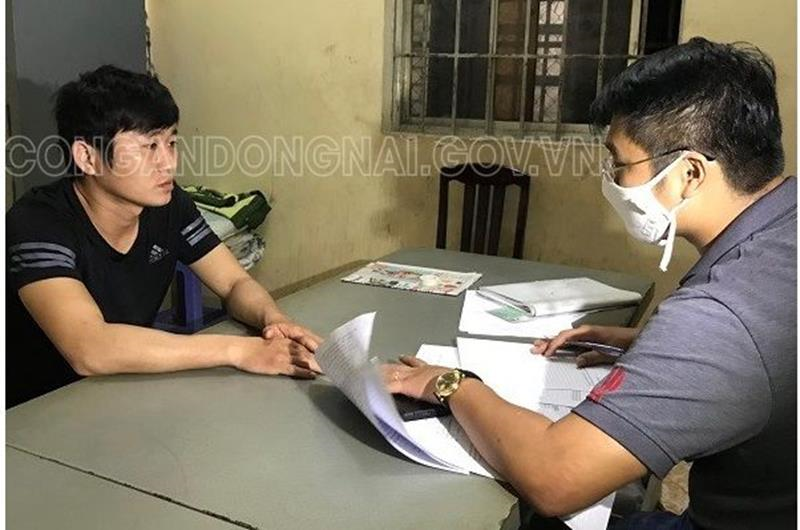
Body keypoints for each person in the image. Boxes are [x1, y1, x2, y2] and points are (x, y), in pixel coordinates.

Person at [382, 38, 796, 529]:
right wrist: (649, 346)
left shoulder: (719, 316)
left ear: (689, 173)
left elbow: (555, 478)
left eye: (620, 165)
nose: (612, 182)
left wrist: (449, 383)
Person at [7, 65, 322, 408]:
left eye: (171, 142)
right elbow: (89, 347)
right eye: (149, 147)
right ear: (87, 157)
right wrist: (239, 350)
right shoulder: (38, 222)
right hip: (32, 412)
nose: (168, 163)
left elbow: (234, 283)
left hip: (120, 390)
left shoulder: (169, 206)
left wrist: (273, 319)